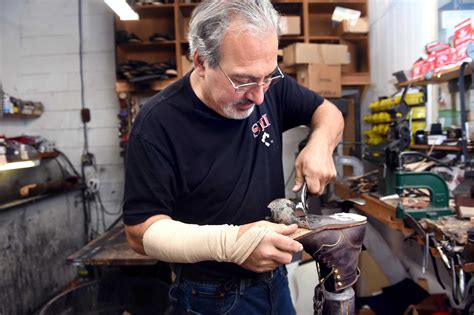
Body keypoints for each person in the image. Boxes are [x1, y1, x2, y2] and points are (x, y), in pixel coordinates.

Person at [122, 0, 344, 314]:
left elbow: (328, 113)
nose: (259, 95)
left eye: (268, 76)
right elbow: (139, 232)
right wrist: (233, 245)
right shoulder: (157, 125)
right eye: (243, 81)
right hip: (209, 297)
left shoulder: (267, 84)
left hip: (274, 283)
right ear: (201, 62)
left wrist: (320, 144)